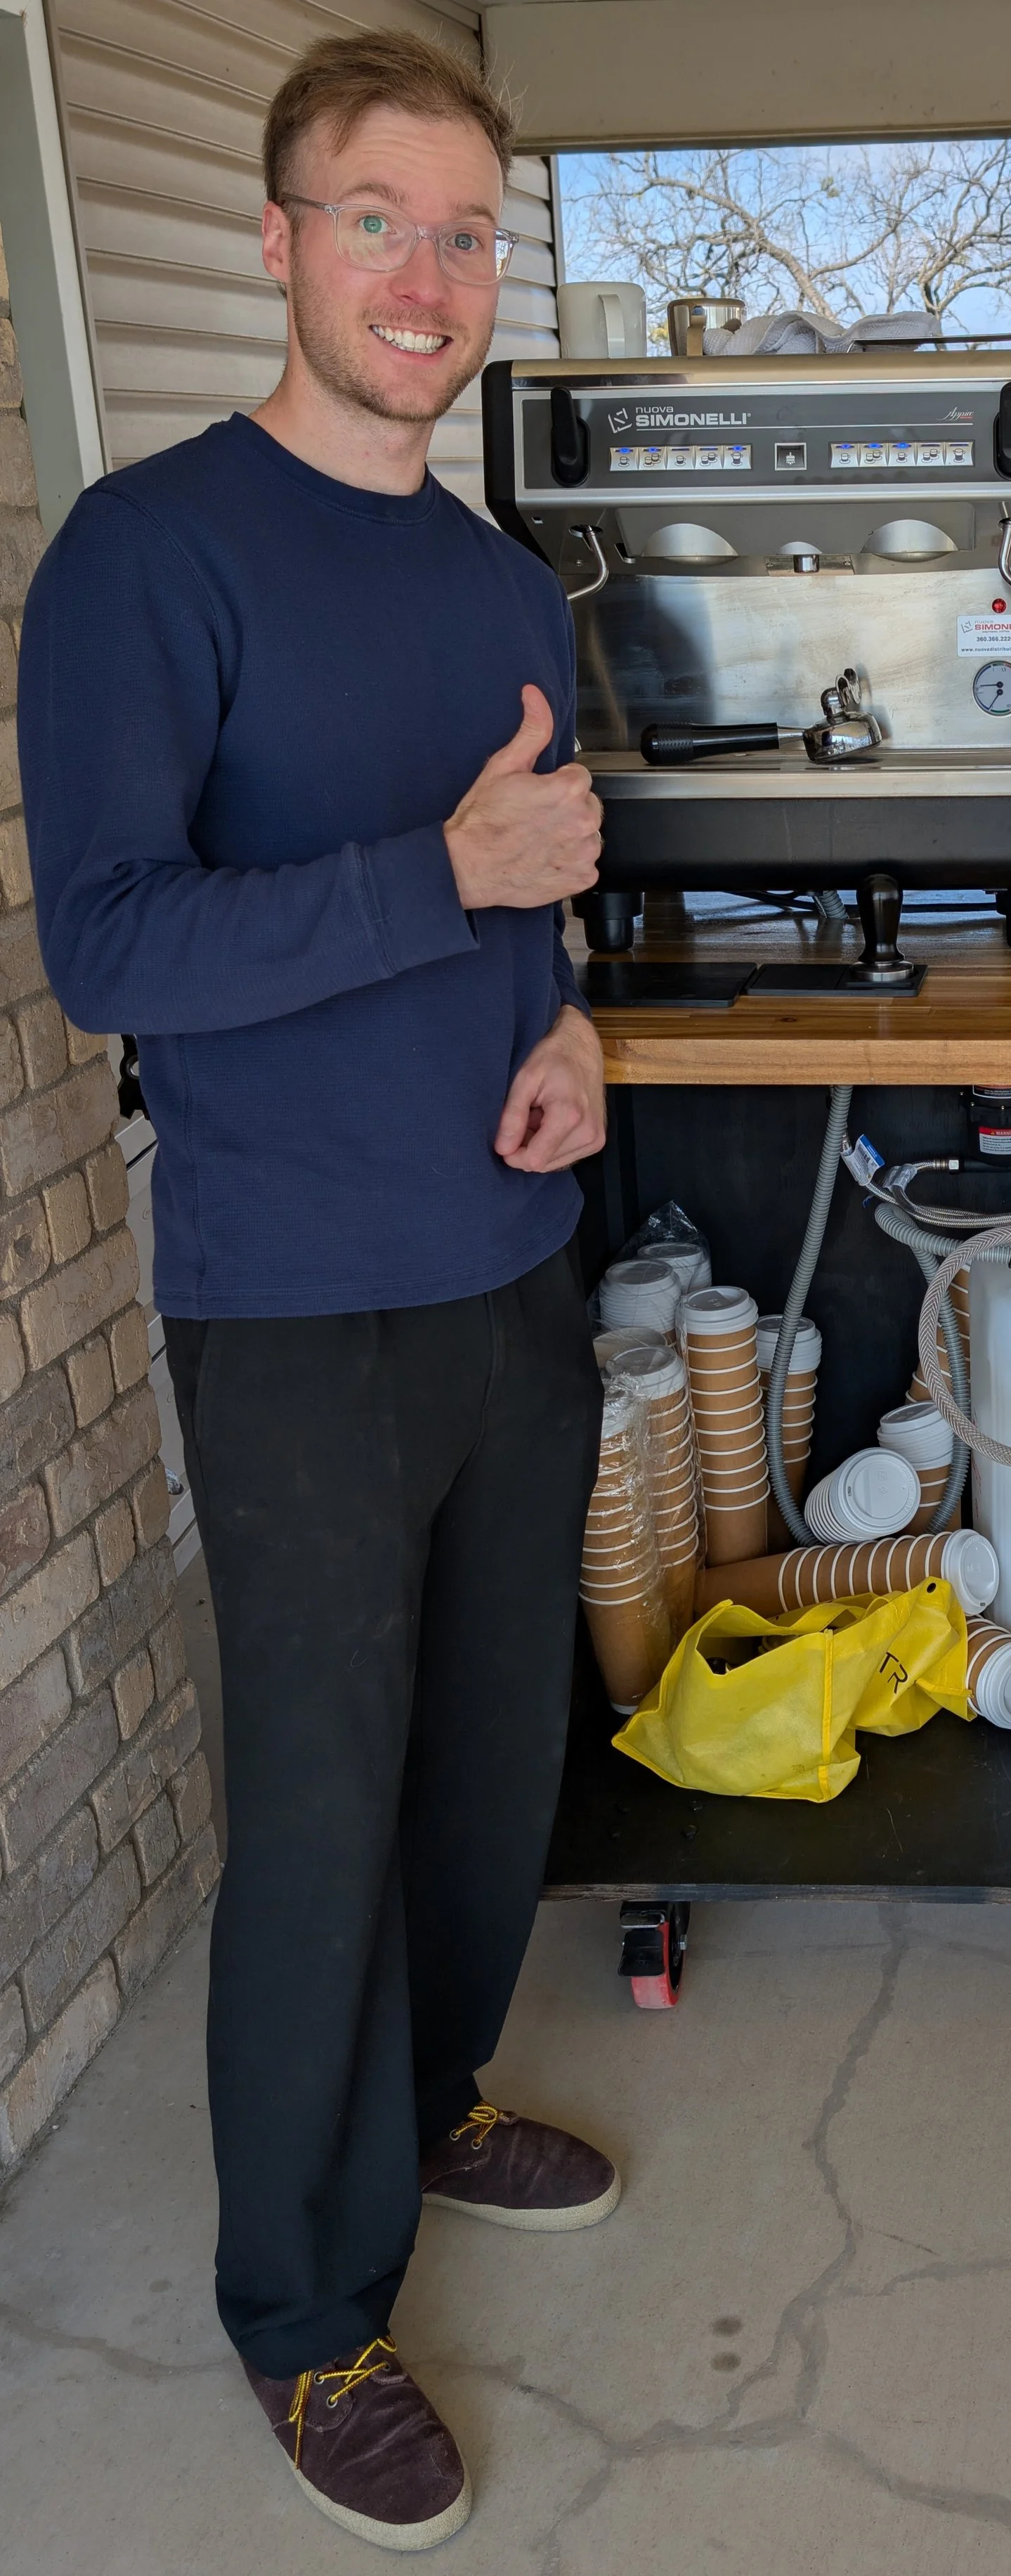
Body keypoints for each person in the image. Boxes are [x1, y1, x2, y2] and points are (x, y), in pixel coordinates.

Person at [20, 30, 615, 2552]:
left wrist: (567, 1018)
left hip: (507, 1258)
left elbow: (546, 875)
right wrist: (453, 886)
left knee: (497, 1753)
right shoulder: (149, 558)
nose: (428, 272)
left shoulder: (501, 581)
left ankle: (438, 2089)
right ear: (277, 242)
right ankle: (303, 2304)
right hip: (291, 1298)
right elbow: (114, 948)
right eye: (380, 217)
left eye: (467, 229)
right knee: (324, 1805)